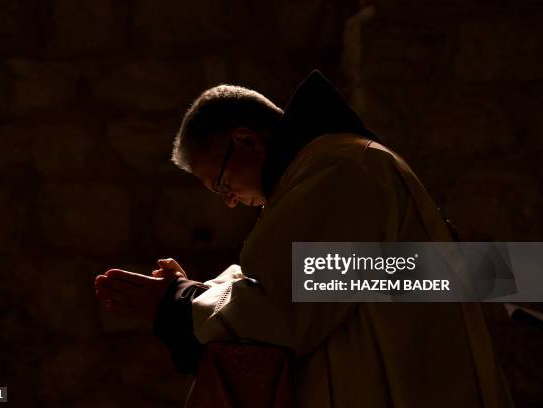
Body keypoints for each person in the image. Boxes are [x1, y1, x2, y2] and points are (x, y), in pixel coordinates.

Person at [95, 71, 513, 407]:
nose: (230, 202)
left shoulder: (341, 169)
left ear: (246, 140)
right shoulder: (336, 167)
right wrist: (200, 293)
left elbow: (283, 307)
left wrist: (177, 302)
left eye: (221, 183)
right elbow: (329, 282)